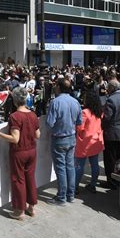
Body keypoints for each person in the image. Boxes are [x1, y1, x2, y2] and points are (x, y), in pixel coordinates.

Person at [0, 87, 40, 220]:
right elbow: (37, 134)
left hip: (19, 152)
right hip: (32, 150)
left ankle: (19, 210)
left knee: (18, 180)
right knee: (30, 178)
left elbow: (15, 138)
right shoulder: (33, 114)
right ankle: (31, 208)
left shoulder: (15, 116)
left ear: (15, 100)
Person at [46, 78, 82, 206]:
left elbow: (49, 123)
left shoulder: (55, 102)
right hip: (71, 137)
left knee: (61, 168)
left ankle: (61, 197)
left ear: (59, 88)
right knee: (70, 167)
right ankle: (70, 195)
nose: (55, 88)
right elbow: (79, 122)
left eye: (56, 86)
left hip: (59, 138)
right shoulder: (75, 102)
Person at [101, 79, 120, 189]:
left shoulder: (111, 100)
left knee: (110, 159)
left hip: (112, 133)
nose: (107, 90)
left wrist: (101, 126)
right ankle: (119, 180)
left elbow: (107, 118)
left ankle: (112, 181)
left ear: (112, 88)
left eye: (108, 88)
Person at [75, 91, 104, 194]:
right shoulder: (99, 111)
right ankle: (93, 185)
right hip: (95, 141)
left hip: (85, 142)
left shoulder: (85, 112)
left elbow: (80, 128)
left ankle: (75, 187)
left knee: (79, 166)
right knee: (94, 165)